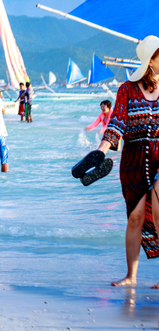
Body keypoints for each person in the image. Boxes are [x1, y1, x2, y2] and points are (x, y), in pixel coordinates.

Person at [97, 35, 159, 287]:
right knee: (135, 217)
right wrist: (101, 151)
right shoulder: (126, 90)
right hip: (133, 159)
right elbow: (117, 124)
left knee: (158, 210)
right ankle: (131, 277)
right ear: (150, 60)